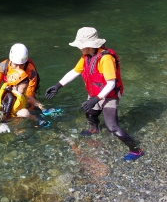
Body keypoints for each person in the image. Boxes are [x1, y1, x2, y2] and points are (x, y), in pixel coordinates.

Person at [45, 27, 143, 161]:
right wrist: (58, 85)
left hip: (109, 95)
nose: (79, 48)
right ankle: (94, 129)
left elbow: (111, 83)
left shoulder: (106, 59)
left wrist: (96, 99)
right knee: (90, 113)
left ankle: (136, 150)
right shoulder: (87, 56)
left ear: (89, 46)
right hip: (95, 93)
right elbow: (75, 71)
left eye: (80, 45)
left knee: (112, 127)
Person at [0, 43, 60, 116]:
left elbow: (29, 95)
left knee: (30, 106)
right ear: (10, 60)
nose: (18, 68)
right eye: (15, 65)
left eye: (21, 65)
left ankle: (44, 110)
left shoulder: (31, 71)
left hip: (25, 88)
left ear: (25, 62)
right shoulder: (2, 67)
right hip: (10, 85)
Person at [0, 68, 50, 133]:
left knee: (30, 100)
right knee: (25, 112)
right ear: (15, 86)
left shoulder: (17, 92)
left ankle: (44, 109)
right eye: (24, 88)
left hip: (16, 110)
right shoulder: (9, 96)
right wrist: (3, 123)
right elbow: (6, 111)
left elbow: (23, 98)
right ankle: (37, 120)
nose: (25, 90)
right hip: (11, 116)